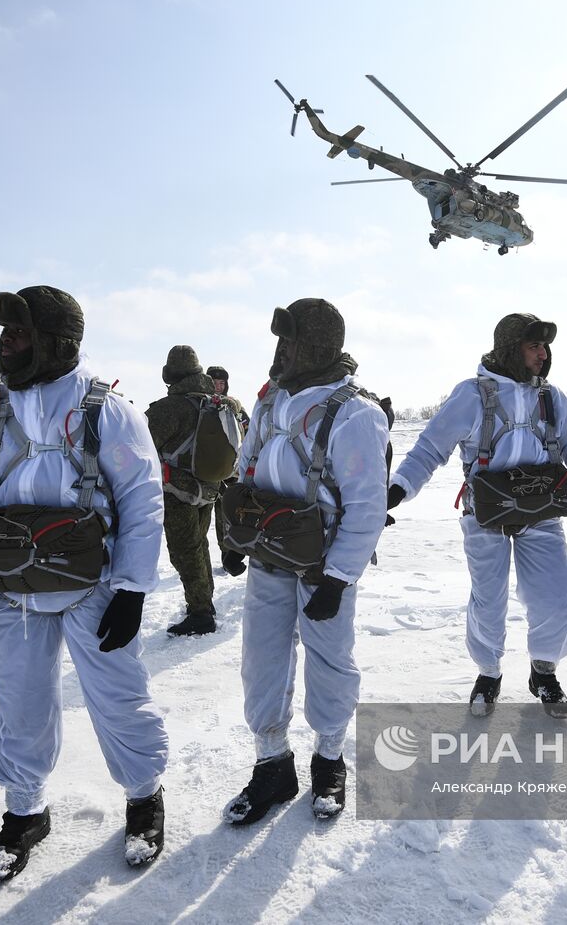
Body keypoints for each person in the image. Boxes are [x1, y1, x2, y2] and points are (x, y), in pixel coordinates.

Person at [0, 285, 168, 880]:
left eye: (21, 333)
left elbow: (141, 499)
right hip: (9, 589)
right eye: (5, 332)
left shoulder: (107, 410)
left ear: (59, 342)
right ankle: (25, 810)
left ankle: (143, 796)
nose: (7, 344)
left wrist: (130, 588)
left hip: (92, 588)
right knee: (19, 705)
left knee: (118, 699)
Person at [388, 313, 567, 718]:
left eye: (545, 346)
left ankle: (544, 670)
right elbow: (430, 450)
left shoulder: (551, 397)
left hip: (542, 513)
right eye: (534, 346)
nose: (544, 354)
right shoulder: (471, 395)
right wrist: (398, 489)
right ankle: (488, 673)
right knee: (489, 602)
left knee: (555, 601)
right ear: (510, 349)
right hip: (485, 515)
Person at [221, 298, 389, 825]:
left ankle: (330, 758)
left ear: (315, 346)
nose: (280, 351)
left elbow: (367, 505)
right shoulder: (270, 401)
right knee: (261, 662)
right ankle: (272, 764)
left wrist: (338, 580)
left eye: (289, 341)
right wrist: (231, 534)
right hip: (268, 557)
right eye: (280, 340)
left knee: (330, 661)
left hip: (323, 566)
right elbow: (246, 467)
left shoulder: (355, 411)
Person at [146, 347, 245, 636]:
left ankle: (200, 612)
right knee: (199, 544)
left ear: (170, 375)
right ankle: (204, 602)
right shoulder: (221, 403)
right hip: (210, 487)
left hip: (177, 490)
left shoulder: (169, 408)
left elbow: (141, 445)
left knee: (185, 551)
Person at [207, 365, 250, 578]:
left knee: (227, 516)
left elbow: (249, 431)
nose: (218, 386)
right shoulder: (200, 404)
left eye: (221, 383)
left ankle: (228, 555)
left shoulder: (235, 406)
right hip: (204, 474)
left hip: (231, 473)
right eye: (214, 383)